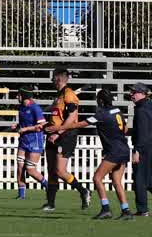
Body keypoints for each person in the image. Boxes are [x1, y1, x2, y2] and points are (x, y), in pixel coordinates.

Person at [48, 89, 133, 220]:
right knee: (117, 181)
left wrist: (58, 128)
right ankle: (126, 211)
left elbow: (80, 124)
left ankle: (106, 209)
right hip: (124, 149)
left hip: (114, 151)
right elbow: (125, 129)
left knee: (97, 178)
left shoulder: (101, 115)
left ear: (100, 101)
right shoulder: (118, 111)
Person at [43, 66, 91, 212]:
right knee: (51, 170)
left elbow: (72, 117)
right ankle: (50, 203)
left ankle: (83, 191)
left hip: (65, 136)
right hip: (52, 134)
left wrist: (58, 132)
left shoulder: (69, 94)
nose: (51, 79)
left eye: (53, 77)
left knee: (60, 170)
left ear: (58, 78)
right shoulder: (59, 95)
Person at [9, 89, 46, 200]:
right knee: (20, 167)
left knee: (30, 170)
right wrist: (17, 126)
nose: (17, 97)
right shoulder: (21, 107)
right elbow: (24, 124)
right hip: (23, 141)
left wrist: (25, 129)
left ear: (24, 96)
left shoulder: (35, 108)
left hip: (35, 141)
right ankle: (21, 195)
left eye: (19, 95)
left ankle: (49, 187)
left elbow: (41, 126)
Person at [129, 83, 152, 219]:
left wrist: (137, 150)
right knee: (149, 179)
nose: (131, 95)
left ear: (142, 93)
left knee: (140, 179)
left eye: (134, 92)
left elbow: (143, 132)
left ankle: (142, 210)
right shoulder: (149, 105)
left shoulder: (141, 109)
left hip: (144, 148)